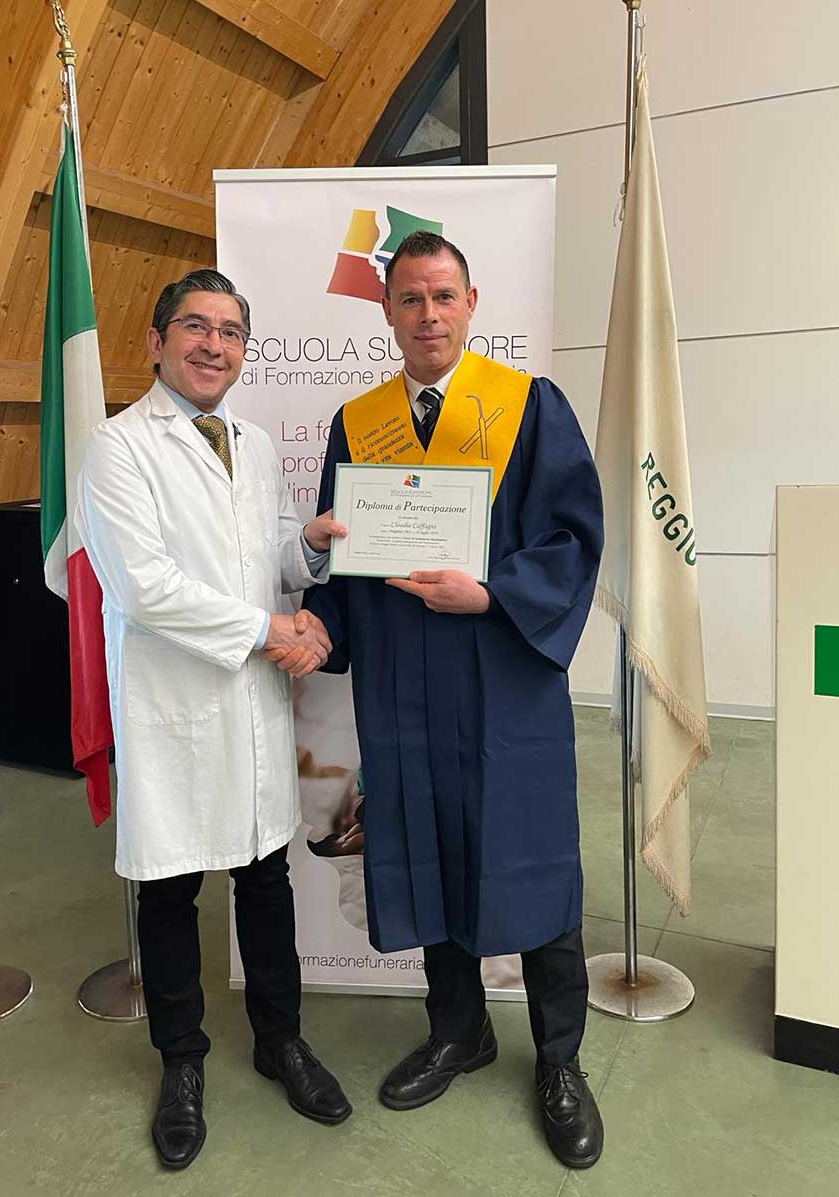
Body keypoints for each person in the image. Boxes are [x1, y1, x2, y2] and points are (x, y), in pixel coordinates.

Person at [297, 231, 606, 1170]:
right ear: (387, 312)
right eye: (410, 299)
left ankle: (559, 1057)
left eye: (443, 296)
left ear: (472, 305)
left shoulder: (527, 405)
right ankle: (458, 1029)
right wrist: (319, 625)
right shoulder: (359, 424)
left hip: (504, 681)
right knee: (429, 847)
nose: (428, 315)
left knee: (532, 856)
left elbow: (572, 537)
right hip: (405, 687)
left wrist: (493, 593)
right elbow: (347, 561)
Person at [76, 270, 351, 1172]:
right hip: (176, 706)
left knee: (265, 878)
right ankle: (182, 1063)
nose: (214, 344)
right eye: (195, 326)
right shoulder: (118, 447)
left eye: (231, 331)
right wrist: (271, 630)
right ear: (156, 341)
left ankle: (281, 1041)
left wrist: (307, 547)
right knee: (170, 889)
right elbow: (144, 587)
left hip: (252, 705)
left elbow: (265, 557)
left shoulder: (255, 443)